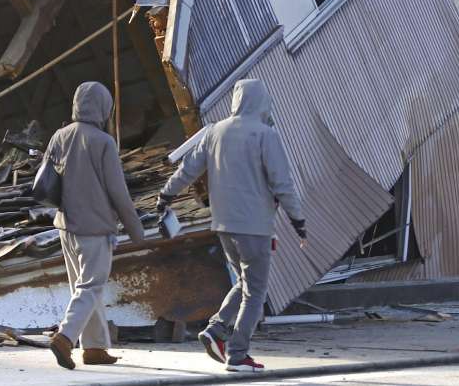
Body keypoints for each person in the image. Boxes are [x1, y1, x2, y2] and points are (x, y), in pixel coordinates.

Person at [158, 78, 305, 374]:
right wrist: (297, 219)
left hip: (224, 225)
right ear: (262, 102)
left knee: (243, 282)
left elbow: (189, 169)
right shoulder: (266, 135)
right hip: (254, 227)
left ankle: (215, 329)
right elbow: (282, 183)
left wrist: (166, 194)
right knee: (256, 292)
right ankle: (237, 355)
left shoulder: (215, 132)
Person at [46, 81, 145, 371]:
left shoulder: (59, 136)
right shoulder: (103, 142)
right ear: (104, 107)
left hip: (65, 225)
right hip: (94, 227)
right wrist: (136, 231)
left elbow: (47, 179)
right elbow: (118, 192)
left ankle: (94, 348)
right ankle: (65, 337)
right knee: (91, 286)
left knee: (84, 286)